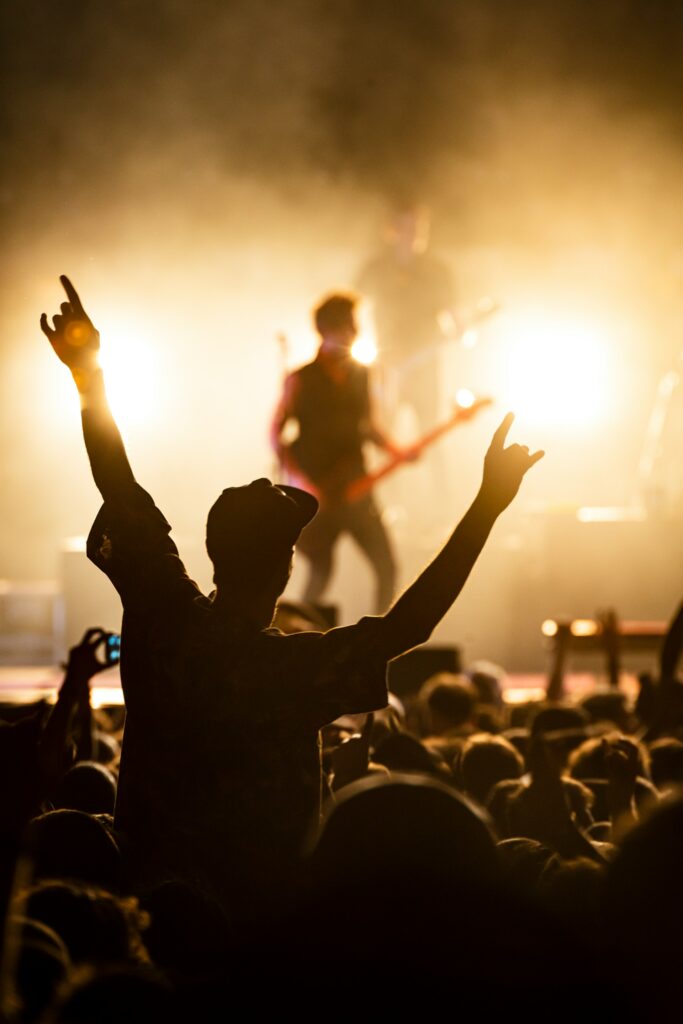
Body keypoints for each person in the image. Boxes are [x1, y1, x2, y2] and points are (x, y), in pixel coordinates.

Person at [41, 275, 542, 913]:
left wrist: (89, 378)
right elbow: (410, 624)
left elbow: (118, 483)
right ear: (284, 566)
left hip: (148, 901)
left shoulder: (161, 611)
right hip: (260, 915)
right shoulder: (292, 671)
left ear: (218, 553)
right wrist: (486, 508)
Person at [271, 291, 406, 613]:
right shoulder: (300, 378)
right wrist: (301, 482)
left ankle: (381, 643)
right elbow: (277, 434)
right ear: (329, 329)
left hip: (356, 487)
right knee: (320, 571)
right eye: (348, 325)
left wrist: (396, 450)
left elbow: (369, 426)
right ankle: (298, 639)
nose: (354, 332)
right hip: (318, 493)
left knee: (387, 567)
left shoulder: (362, 375)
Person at [356, 201, 456, 429]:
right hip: (386, 364)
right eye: (406, 227)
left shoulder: (437, 271)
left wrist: (459, 328)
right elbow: (353, 306)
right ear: (390, 231)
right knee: (382, 430)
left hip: (426, 364)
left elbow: (453, 315)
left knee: (430, 433)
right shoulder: (375, 268)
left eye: (418, 229)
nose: (412, 235)